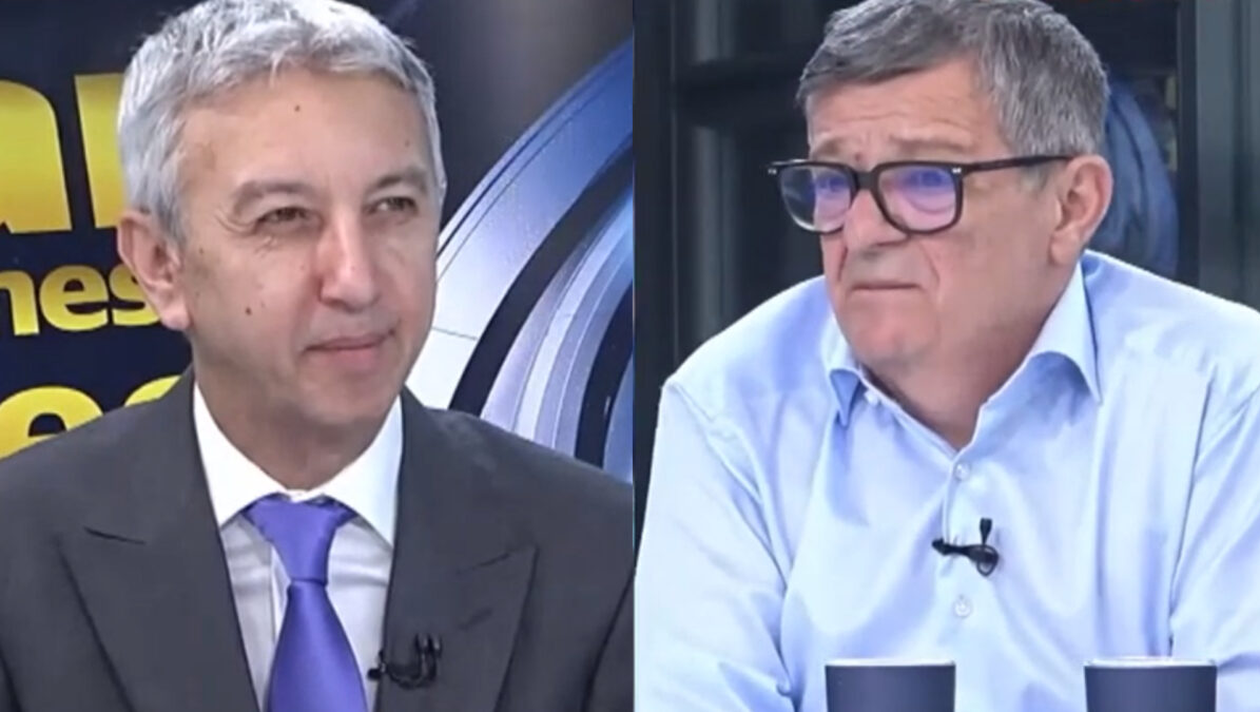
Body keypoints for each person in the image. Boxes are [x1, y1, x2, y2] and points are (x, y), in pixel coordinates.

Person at [0, 1, 631, 711]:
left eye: (393, 206)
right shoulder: (17, 552)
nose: (356, 279)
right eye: (285, 218)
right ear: (160, 265)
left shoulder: (603, 550)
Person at [635, 0, 1260, 710]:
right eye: (834, 183)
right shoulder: (728, 408)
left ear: (1071, 205)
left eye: (925, 180)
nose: (862, 233)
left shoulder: (1227, 395)